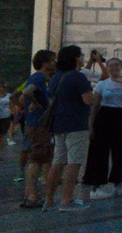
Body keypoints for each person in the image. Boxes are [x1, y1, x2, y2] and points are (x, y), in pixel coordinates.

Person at [43, 46, 96, 212]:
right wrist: (93, 95)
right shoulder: (78, 77)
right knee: (74, 162)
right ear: (75, 58)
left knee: (57, 162)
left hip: (58, 124)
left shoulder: (55, 77)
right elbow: (88, 100)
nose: (82, 58)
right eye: (81, 55)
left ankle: (49, 200)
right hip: (76, 124)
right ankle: (67, 200)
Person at [83, 58, 122, 199]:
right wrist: (90, 125)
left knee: (121, 151)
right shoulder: (102, 84)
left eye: (116, 65)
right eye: (111, 66)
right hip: (105, 116)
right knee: (100, 152)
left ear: (121, 67)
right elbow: (95, 105)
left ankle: (117, 182)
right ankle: (97, 185)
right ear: (107, 68)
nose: (114, 68)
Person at [19, 49, 56, 209]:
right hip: (38, 125)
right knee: (36, 160)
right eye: (52, 60)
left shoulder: (37, 78)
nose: (54, 63)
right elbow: (26, 93)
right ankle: (31, 196)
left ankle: (31, 194)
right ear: (45, 62)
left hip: (35, 124)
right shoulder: (39, 77)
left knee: (40, 158)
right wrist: (36, 102)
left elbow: (20, 97)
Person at [0, 82, 12, 155]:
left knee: (1, 136)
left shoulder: (9, 96)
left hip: (6, 117)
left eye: (2, 87)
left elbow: (12, 105)